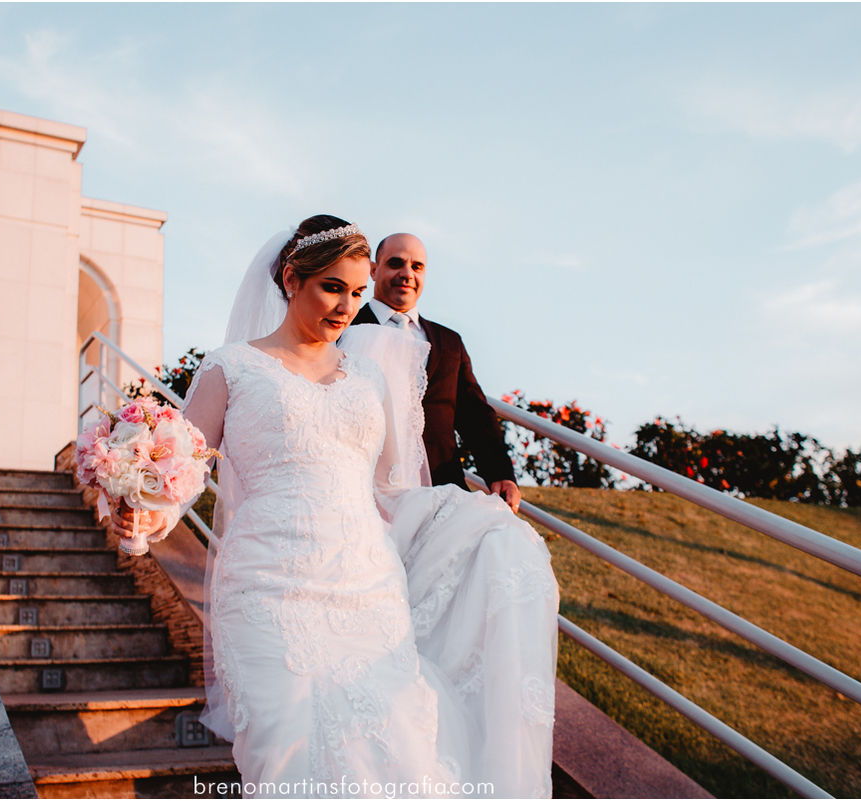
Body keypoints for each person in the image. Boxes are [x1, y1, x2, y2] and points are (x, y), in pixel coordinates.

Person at [116, 215, 558, 798]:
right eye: (332, 288)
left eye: (355, 291)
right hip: (265, 587)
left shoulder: (369, 376)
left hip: (367, 591)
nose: (347, 307)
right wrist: (147, 514)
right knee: (287, 755)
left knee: (393, 752)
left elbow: (391, 486)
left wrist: (473, 523)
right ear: (292, 279)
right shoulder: (231, 367)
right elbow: (184, 473)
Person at [351, 234, 522, 513]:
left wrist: (499, 473)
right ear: (373, 269)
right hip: (364, 490)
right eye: (396, 263)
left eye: (417, 267)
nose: (407, 274)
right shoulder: (344, 327)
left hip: (443, 489)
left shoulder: (449, 341)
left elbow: (475, 414)